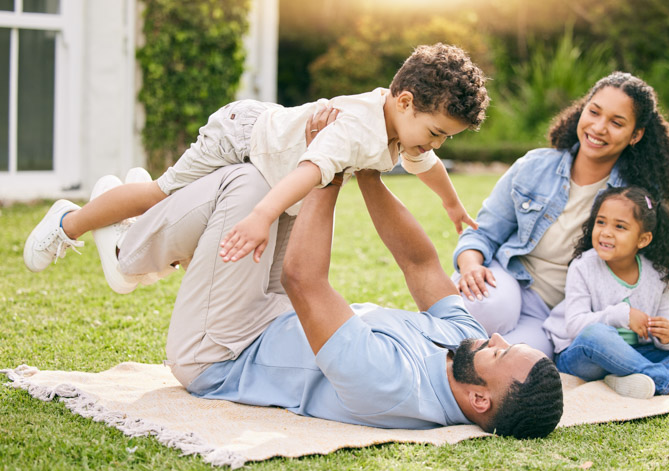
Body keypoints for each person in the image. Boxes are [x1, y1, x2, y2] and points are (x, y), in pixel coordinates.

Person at [107, 154, 563, 438]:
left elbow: (304, 280)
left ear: (480, 401)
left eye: (501, 356)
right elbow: (419, 263)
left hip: (221, 351)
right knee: (275, 172)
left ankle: (127, 249)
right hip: (273, 317)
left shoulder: (393, 386)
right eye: (507, 345)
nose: (497, 339)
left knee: (249, 184)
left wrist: (328, 172)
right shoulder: (465, 343)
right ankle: (151, 224)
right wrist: (367, 174)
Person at [24, 43, 489, 293]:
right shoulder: (356, 129)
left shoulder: (402, 127)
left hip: (267, 148)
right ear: (405, 102)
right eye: (436, 132)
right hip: (240, 139)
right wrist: (262, 216)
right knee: (161, 195)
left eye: (445, 136)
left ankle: (132, 220)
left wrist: (452, 205)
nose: (436, 143)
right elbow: (308, 171)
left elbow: (425, 164)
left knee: (196, 223)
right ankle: (68, 222)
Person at [452, 72, 669, 358]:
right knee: (486, 308)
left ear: (635, 135)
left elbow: (643, 273)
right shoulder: (534, 166)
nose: (599, 128)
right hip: (508, 279)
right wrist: (470, 266)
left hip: (558, 316)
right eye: (594, 112)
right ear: (582, 110)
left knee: (517, 361)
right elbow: (482, 232)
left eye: (616, 122)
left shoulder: (635, 200)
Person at [543, 186, 669, 398]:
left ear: (643, 239)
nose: (606, 231)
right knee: (596, 334)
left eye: (620, 227)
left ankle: (631, 380)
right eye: (601, 222)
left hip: (636, 354)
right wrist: (622, 315)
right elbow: (575, 327)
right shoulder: (583, 266)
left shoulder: (658, 275)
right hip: (584, 356)